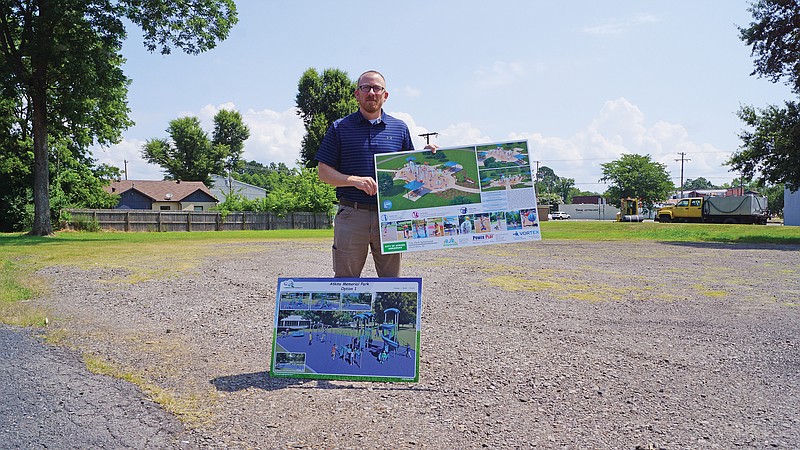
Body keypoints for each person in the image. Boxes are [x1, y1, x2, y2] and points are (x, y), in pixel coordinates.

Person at [316, 70, 436, 278]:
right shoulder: (339, 128)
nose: (371, 92)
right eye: (365, 88)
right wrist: (353, 180)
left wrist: (427, 158)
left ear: (385, 95)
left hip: (389, 215)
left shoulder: (399, 128)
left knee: (392, 281)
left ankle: (392, 312)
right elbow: (323, 172)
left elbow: (411, 169)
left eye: (376, 88)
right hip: (352, 214)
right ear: (357, 94)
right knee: (346, 281)